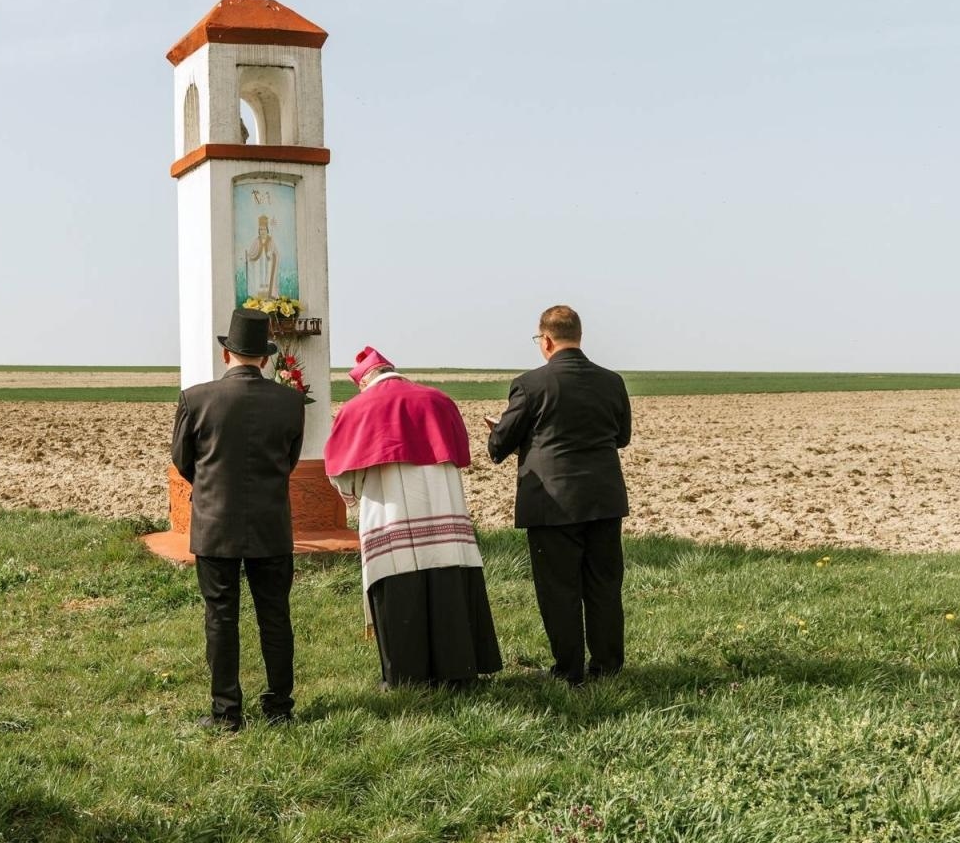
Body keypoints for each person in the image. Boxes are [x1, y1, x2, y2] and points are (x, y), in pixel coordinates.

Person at [325, 347, 501, 688]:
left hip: (390, 511)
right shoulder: (439, 400)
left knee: (399, 588)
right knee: (448, 585)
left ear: (363, 382)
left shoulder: (357, 409)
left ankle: (406, 676)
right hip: (442, 506)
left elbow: (341, 471)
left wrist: (354, 494)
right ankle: (459, 671)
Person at [170, 308, 305, 731]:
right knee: (275, 614)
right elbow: (290, 460)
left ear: (227, 354)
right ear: (265, 359)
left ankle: (226, 713)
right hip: (270, 523)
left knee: (221, 616)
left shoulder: (196, 398)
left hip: (214, 522)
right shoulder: (291, 401)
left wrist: (212, 487)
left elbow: (182, 460)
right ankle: (279, 707)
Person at [487, 306, 631, 686]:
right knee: (603, 585)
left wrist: (498, 430)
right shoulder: (612, 381)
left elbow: (502, 442)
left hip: (551, 503)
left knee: (559, 590)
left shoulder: (530, 384)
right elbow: (622, 437)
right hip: (603, 499)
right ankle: (608, 667)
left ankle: (568, 670)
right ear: (578, 336)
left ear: (546, 340)